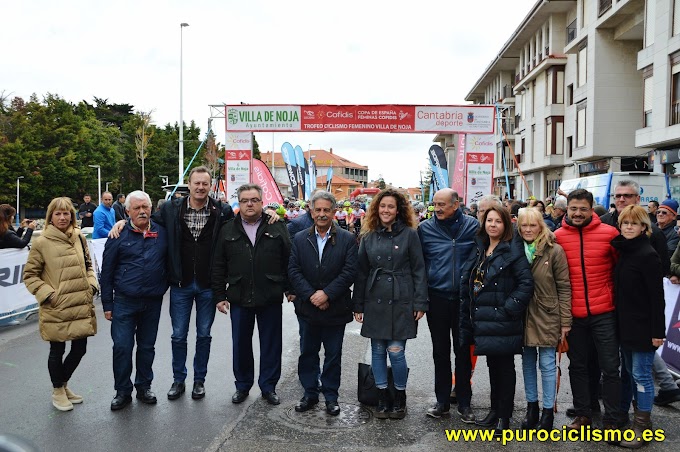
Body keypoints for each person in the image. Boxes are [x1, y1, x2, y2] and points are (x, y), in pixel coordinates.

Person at [554, 189, 625, 435]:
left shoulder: (610, 234)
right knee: (579, 366)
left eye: (583, 209)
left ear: (591, 208)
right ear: (567, 209)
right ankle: (583, 413)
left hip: (604, 311)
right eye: (573, 208)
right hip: (573, 314)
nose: (578, 213)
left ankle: (613, 418)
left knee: (610, 366)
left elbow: (621, 269)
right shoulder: (558, 236)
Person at [213, 184, 291, 406]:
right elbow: (218, 265)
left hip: (270, 295)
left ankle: (268, 387)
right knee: (241, 344)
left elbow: (289, 260)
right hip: (239, 296)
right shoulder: (228, 229)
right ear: (239, 202)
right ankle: (242, 386)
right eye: (245, 200)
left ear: (261, 202)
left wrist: (290, 289)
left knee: (271, 344)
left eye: (254, 200)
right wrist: (219, 295)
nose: (249, 204)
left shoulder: (277, 226)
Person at [353, 189, 428, 420]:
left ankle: (399, 397)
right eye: (382, 206)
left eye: (391, 207)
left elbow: (419, 270)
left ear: (398, 211)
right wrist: (358, 305)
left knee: (396, 352)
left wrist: (420, 302)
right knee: (377, 351)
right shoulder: (368, 236)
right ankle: (382, 396)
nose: (386, 210)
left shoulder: (409, 234)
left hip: (401, 298)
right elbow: (361, 273)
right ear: (377, 209)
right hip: (375, 298)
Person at [459, 205, 533, 437]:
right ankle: (494, 411)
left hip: (502, 320)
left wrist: (507, 309)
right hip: (482, 319)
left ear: (506, 225)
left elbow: (526, 284)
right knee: (493, 367)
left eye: (497, 221)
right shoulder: (480, 247)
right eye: (489, 221)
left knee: (504, 368)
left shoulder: (513, 249)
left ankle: (504, 416)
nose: (492, 225)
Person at [23, 197, 98, 411]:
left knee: (80, 349)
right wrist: (49, 295)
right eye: (58, 213)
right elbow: (30, 276)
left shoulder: (79, 237)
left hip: (80, 304)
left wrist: (92, 285)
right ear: (50, 217)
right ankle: (58, 390)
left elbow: (88, 265)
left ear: (72, 216)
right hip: (56, 307)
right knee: (57, 350)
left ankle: (63, 385)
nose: (63, 217)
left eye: (67, 213)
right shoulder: (41, 242)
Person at [288, 191, 357, 416]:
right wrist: (312, 295)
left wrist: (327, 294)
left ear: (334, 212)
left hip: (335, 308)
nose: (322, 214)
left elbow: (350, 272)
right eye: (317, 210)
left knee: (333, 355)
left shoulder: (347, 239)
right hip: (308, 308)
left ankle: (330, 396)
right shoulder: (300, 238)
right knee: (307, 352)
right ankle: (309, 393)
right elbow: (294, 270)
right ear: (310, 210)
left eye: (326, 210)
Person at [100, 191, 168, 411]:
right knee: (122, 347)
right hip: (124, 302)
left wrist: (162, 287)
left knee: (147, 347)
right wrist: (107, 305)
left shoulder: (162, 233)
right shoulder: (118, 235)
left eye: (145, 207)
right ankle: (122, 391)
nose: (142, 211)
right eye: (137, 208)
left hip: (152, 302)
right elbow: (107, 273)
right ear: (127, 211)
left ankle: (144, 387)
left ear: (151, 208)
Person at [417, 188, 478, 421]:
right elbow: (419, 265)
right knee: (440, 352)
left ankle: (464, 403)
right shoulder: (425, 229)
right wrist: (420, 298)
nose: (437, 208)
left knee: (463, 352)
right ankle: (442, 401)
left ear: (456, 204)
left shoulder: (473, 226)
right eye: (435, 204)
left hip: (464, 299)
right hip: (438, 298)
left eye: (442, 204)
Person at [611, 205, 666, 448]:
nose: (629, 227)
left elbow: (657, 297)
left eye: (634, 223)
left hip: (643, 327)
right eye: (625, 223)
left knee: (642, 376)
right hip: (626, 326)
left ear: (644, 227)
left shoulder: (647, 254)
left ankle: (642, 427)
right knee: (632, 375)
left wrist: (657, 332)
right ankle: (637, 421)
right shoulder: (625, 250)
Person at [517, 208, 571, 431]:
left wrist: (566, 321)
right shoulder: (515, 249)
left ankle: (547, 412)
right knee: (527, 363)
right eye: (524, 225)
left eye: (533, 225)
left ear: (541, 226)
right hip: (522, 314)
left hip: (548, 314)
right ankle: (532, 408)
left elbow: (564, 287)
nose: (528, 230)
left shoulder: (554, 250)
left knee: (548, 364)